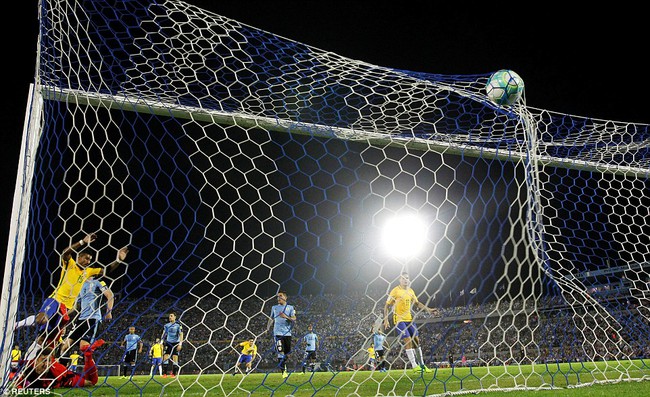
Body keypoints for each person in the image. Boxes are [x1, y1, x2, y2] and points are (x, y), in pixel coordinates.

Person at [15, 233, 127, 353]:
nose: (88, 261)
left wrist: (118, 260)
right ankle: (16, 325)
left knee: (44, 338)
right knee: (41, 319)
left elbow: (106, 271)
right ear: (79, 257)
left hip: (65, 309)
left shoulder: (88, 272)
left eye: (90, 259)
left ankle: (29, 360)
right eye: (86, 258)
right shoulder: (70, 264)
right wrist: (82, 242)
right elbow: (65, 252)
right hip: (55, 300)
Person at [383, 271, 437, 373]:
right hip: (399, 320)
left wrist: (428, 309)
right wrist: (385, 319)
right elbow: (386, 305)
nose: (405, 280)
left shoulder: (411, 291)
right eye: (403, 278)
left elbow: (417, 303)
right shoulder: (395, 291)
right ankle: (414, 365)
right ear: (400, 280)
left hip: (410, 319)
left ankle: (422, 365)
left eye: (407, 278)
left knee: (416, 341)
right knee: (408, 340)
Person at [13, 339, 105, 389]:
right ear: (36, 360)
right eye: (44, 360)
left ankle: (88, 356)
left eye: (49, 361)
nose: (47, 364)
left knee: (91, 382)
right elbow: (14, 373)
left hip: (63, 379)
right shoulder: (28, 366)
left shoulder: (58, 372)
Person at [60, 275, 114, 359]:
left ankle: (89, 371)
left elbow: (110, 295)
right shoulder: (80, 286)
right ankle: (63, 369)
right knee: (64, 346)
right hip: (81, 320)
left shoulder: (98, 282)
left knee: (84, 347)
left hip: (93, 318)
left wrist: (108, 312)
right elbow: (75, 307)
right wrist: (62, 315)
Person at [267, 290, 296, 378]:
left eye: (280, 296)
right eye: (277, 296)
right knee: (280, 351)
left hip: (287, 333)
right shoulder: (274, 307)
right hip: (277, 333)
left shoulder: (290, 308)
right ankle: (283, 372)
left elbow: (294, 319)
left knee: (286, 353)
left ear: (285, 297)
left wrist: (285, 316)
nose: (278, 298)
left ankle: (284, 364)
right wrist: (267, 328)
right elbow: (271, 318)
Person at [161, 312, 183, 378]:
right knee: (165, 356)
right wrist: (161, 342)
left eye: (171, 316)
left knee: (175, 357)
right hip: (168, 342)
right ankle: (164, 374)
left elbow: (181, 334)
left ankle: (173, 374)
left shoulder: (178, 325)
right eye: (169, 316)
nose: (170, 317)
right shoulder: (166, 325)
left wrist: (180, 344)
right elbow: (164, 334)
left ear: (175, 317)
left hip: (176, 343)